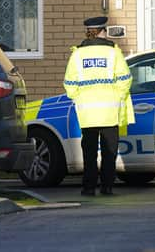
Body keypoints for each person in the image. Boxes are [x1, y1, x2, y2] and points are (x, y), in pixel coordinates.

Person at [64, 16, 135, 196]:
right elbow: (125, 80)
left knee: (89, 153)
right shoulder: (113, 52)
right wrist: (117, 96)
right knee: (109, 152)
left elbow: (70, 84)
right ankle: (107, 187)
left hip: (87, 113)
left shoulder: (77, 54)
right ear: (102, 31)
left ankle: (88, 188)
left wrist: (79, 98)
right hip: (110, 112)